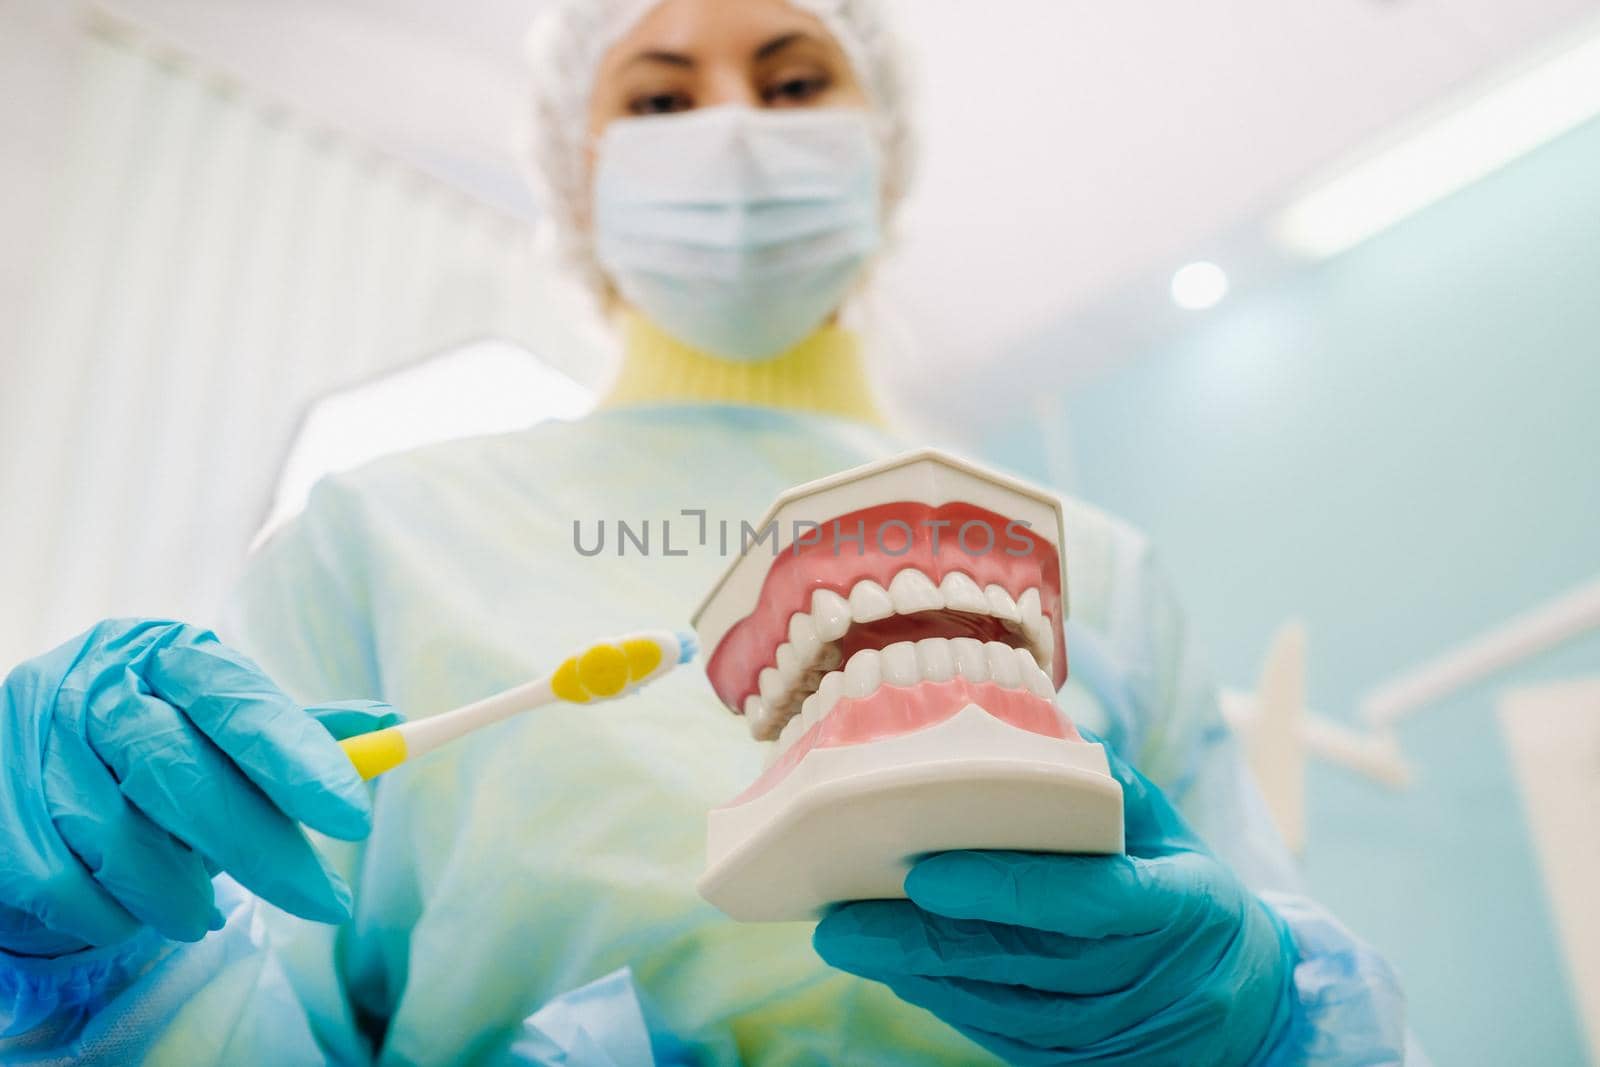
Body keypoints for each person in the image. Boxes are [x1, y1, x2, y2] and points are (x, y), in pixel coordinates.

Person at [0, 0, 1415, 1063]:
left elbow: (1318, 1015)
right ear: (576, 182)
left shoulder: (1088, 565)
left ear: (880, 157)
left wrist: (1238, 1025)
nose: (734, 130)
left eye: (796, 82)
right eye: (661, 99)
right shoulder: (382, 535)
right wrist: (95, 960)